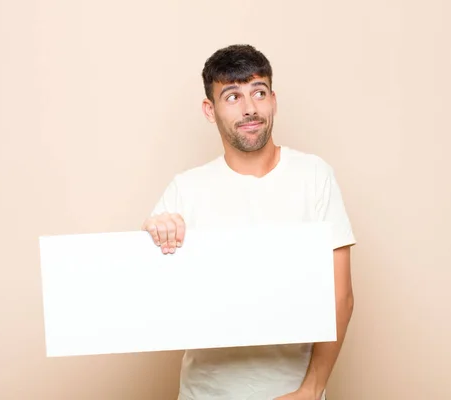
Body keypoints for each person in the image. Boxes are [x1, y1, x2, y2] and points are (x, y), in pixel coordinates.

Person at [141, 44, 356, 400]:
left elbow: (341, 297)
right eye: (232, 96)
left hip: (292, 392)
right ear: (210, 110)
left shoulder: (313, 175)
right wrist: (154, 236)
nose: (249, 108)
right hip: (204, 393)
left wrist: (312, 388)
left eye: (258, 92)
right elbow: (149, 296)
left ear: (273, 99)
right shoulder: (186, 188)